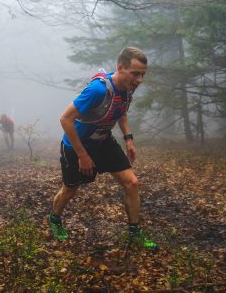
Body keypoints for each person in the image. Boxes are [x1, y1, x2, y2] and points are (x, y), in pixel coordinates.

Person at [49, 47, 157, 250]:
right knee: (70, 190)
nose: (139, 80)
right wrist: (82, 155)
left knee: (132, 183)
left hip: (103, 142)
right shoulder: (98, 90)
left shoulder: (127, 89)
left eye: (143, 74)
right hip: (76, 145)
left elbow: (121, 112)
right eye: (135, 73)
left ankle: (134, 233)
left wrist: (129, 139)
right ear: (120, 68)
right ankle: (55, 219)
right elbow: (65, 119)